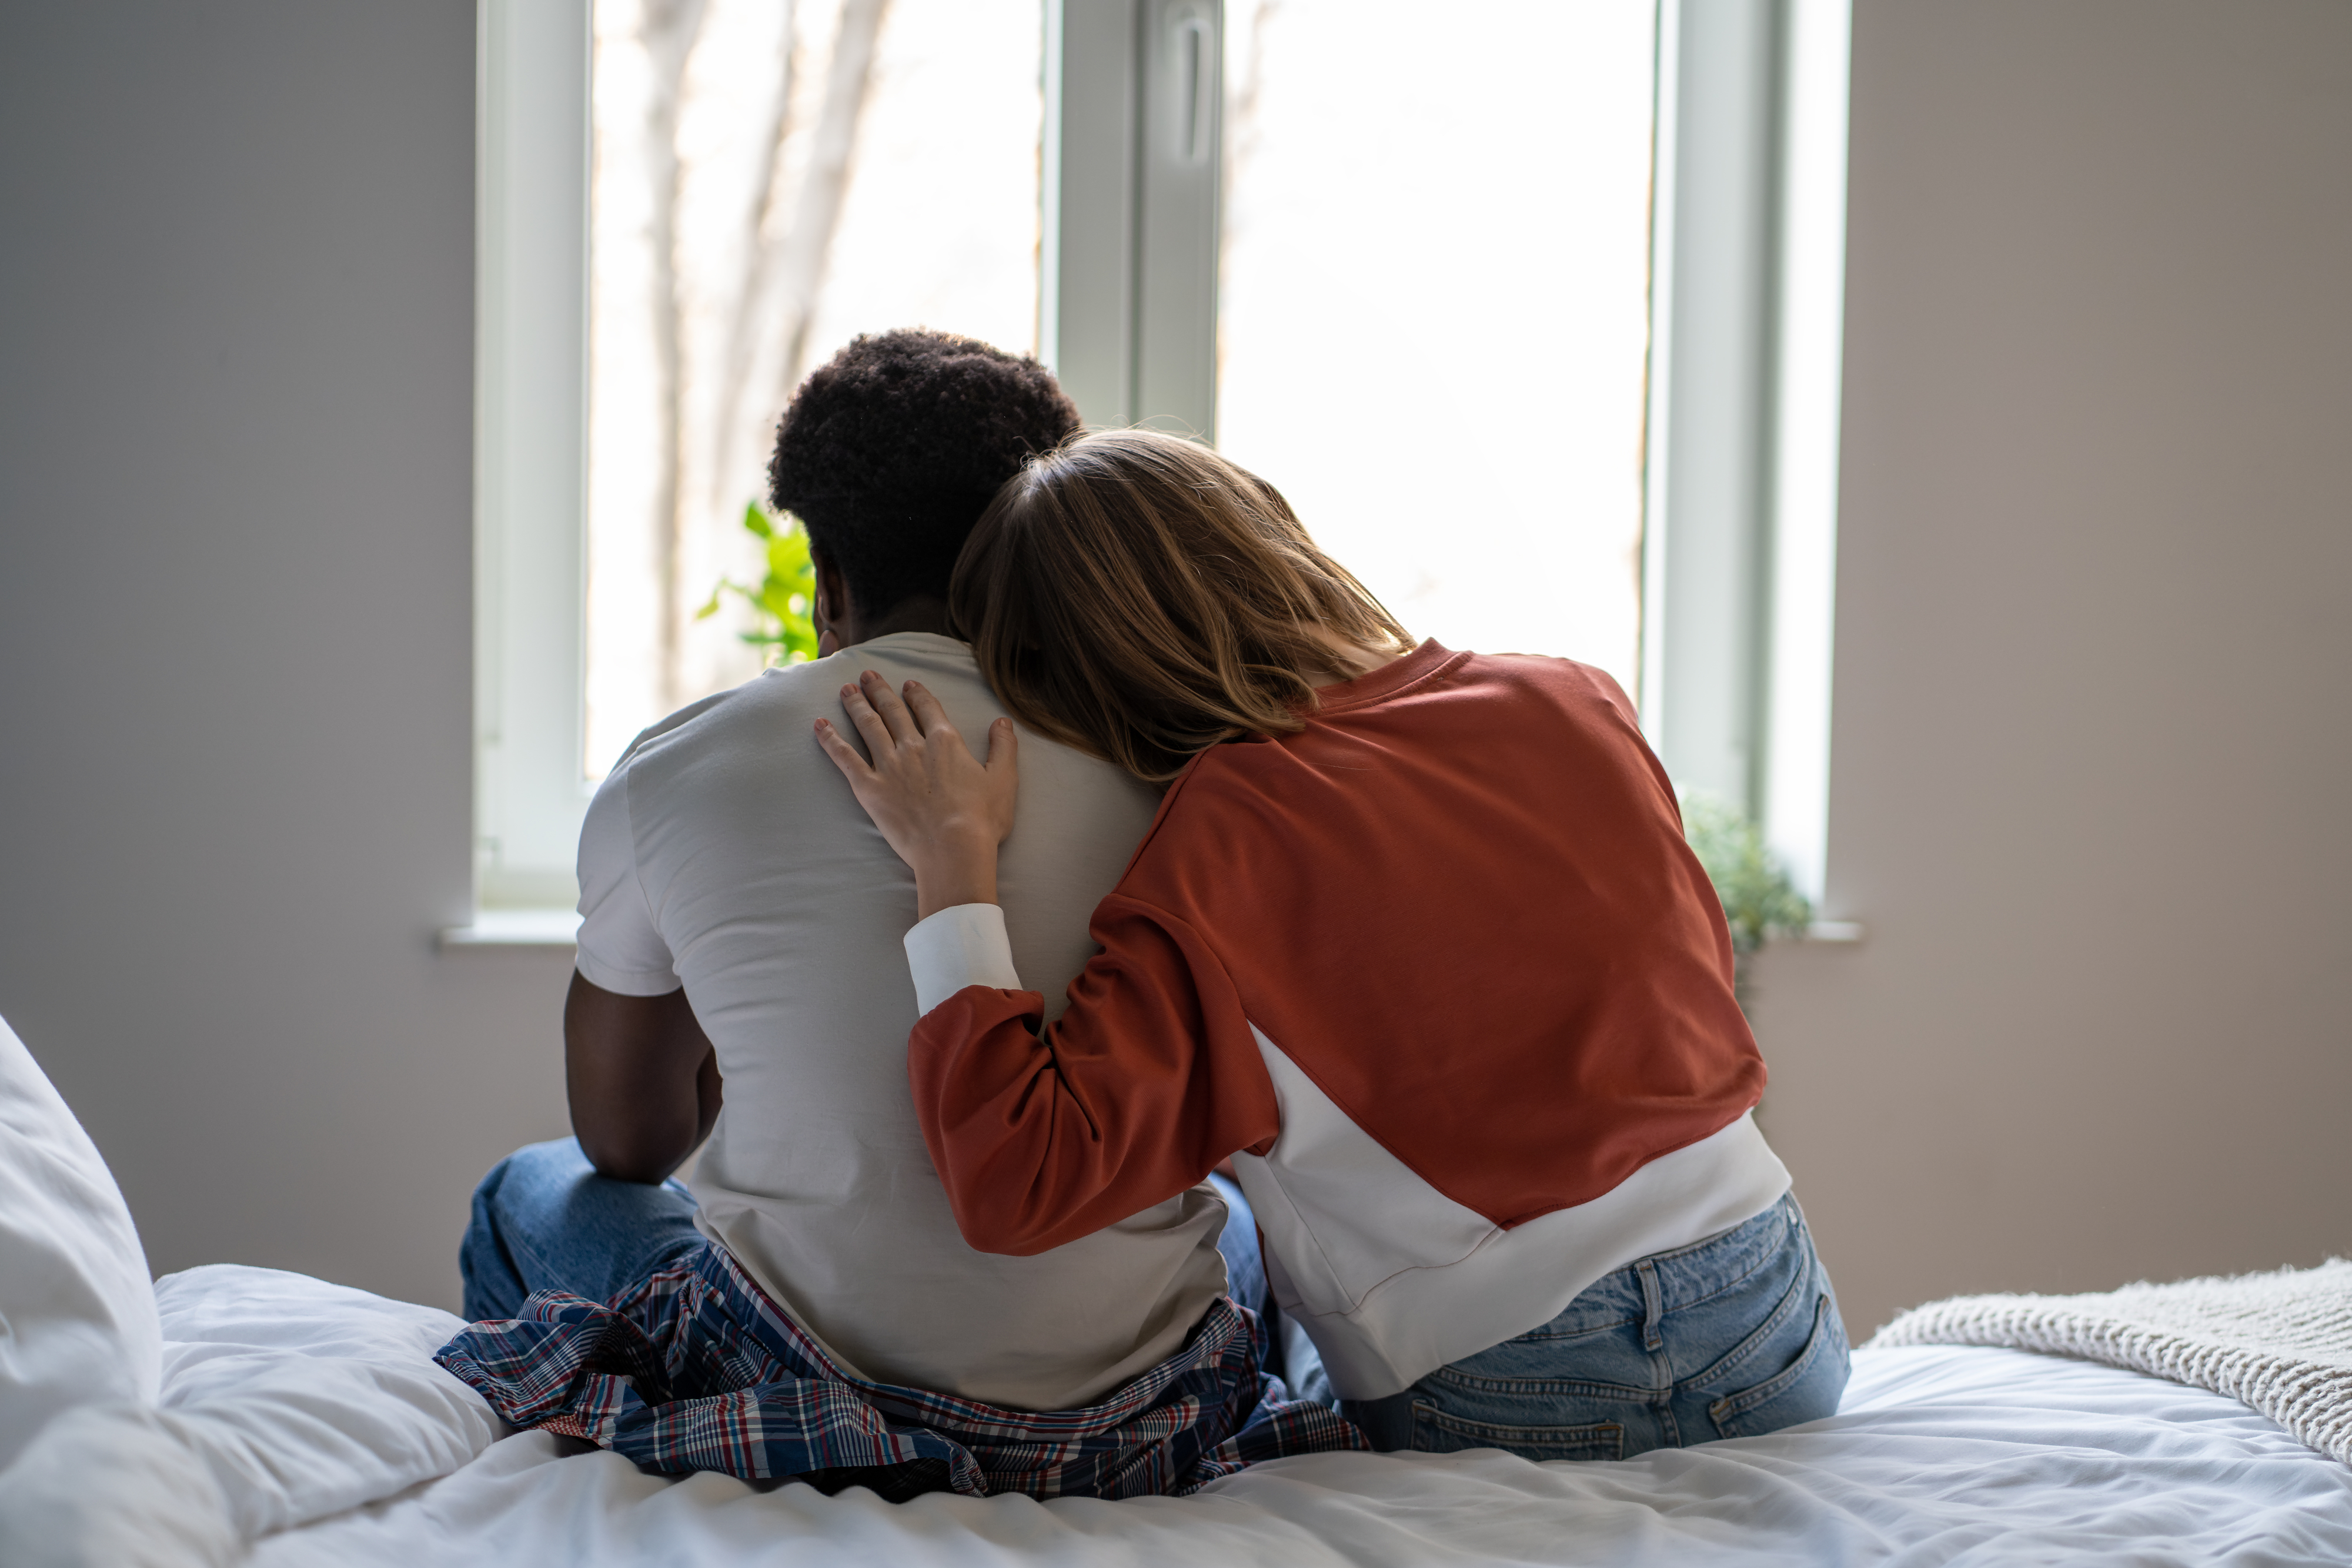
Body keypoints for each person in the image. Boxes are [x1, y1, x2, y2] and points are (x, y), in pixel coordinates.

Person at [814, 427, 1850, 1462]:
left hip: (1518, 1377)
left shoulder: (1219, 845)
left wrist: (952, 864)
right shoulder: (1573, 696)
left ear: (1070, 684)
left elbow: (1022, 1181)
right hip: (1777, 1310)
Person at [442, 334, 1357, 1497]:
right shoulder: (1163, 753)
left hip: (812, 1383)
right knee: (1225, 1218)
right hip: (1130, 1408)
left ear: (825, 582)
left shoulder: (674, 769)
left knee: (528, 1190)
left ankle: (522, 1509)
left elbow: (631, 1143)